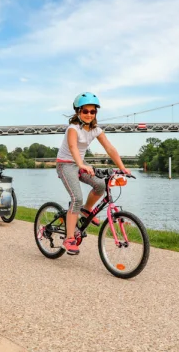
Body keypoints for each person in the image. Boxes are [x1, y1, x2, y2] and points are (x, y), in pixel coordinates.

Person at [56, 92, 130, 256]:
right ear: (78, 112)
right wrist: (81, 164)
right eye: (85, 111)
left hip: (79, 164)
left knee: (100, 185)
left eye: (93, 111)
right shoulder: (72, 129)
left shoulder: (95, 129)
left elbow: (109, 148)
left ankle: (86, 210)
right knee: (77, 198)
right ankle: (69, 239)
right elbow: (74, 148)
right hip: (65, 164)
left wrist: (122, 167)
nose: (89, 114)